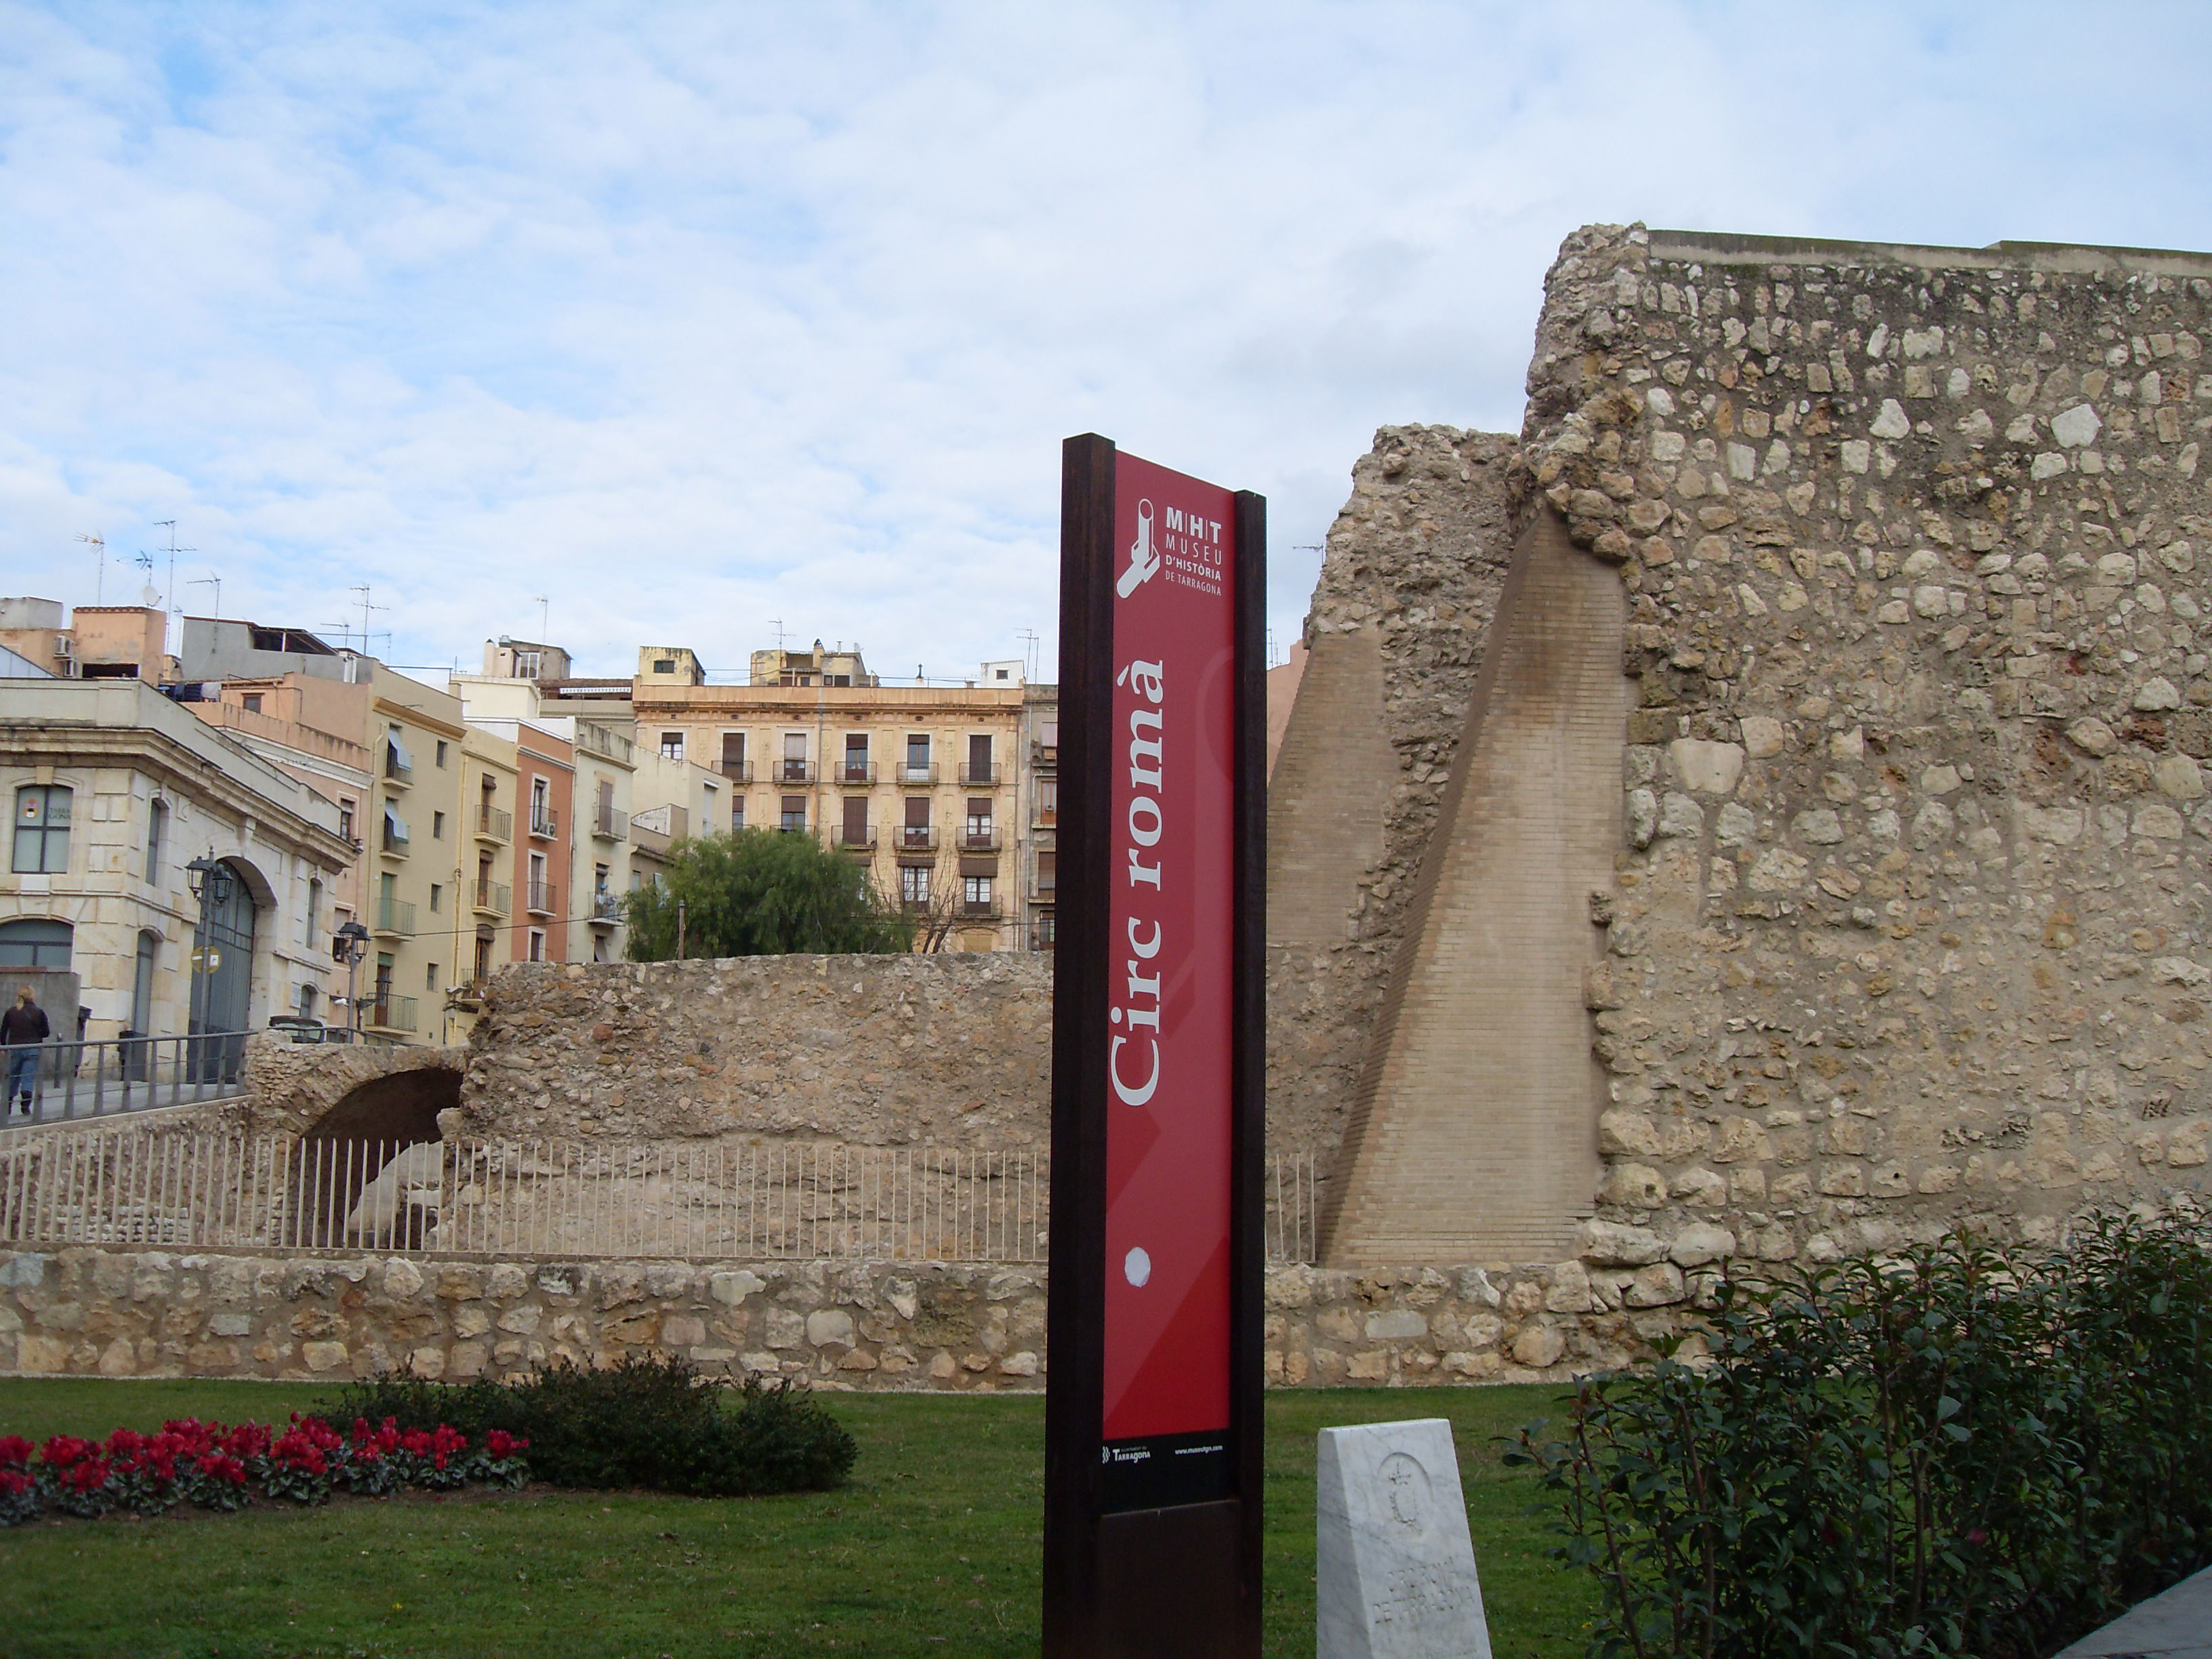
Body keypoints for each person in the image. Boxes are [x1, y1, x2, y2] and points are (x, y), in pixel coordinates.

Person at [3, 987, 49, 1117]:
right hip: (33, 1048)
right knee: (28, 1077)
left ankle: (8, 1106)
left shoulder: (11, 1012)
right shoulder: (39, 1012)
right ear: (32, 997)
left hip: (14, 1048)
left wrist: (3, 1047)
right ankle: (25, 1106)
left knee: (13, 1077)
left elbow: (3, 1031)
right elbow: (46, 1032)